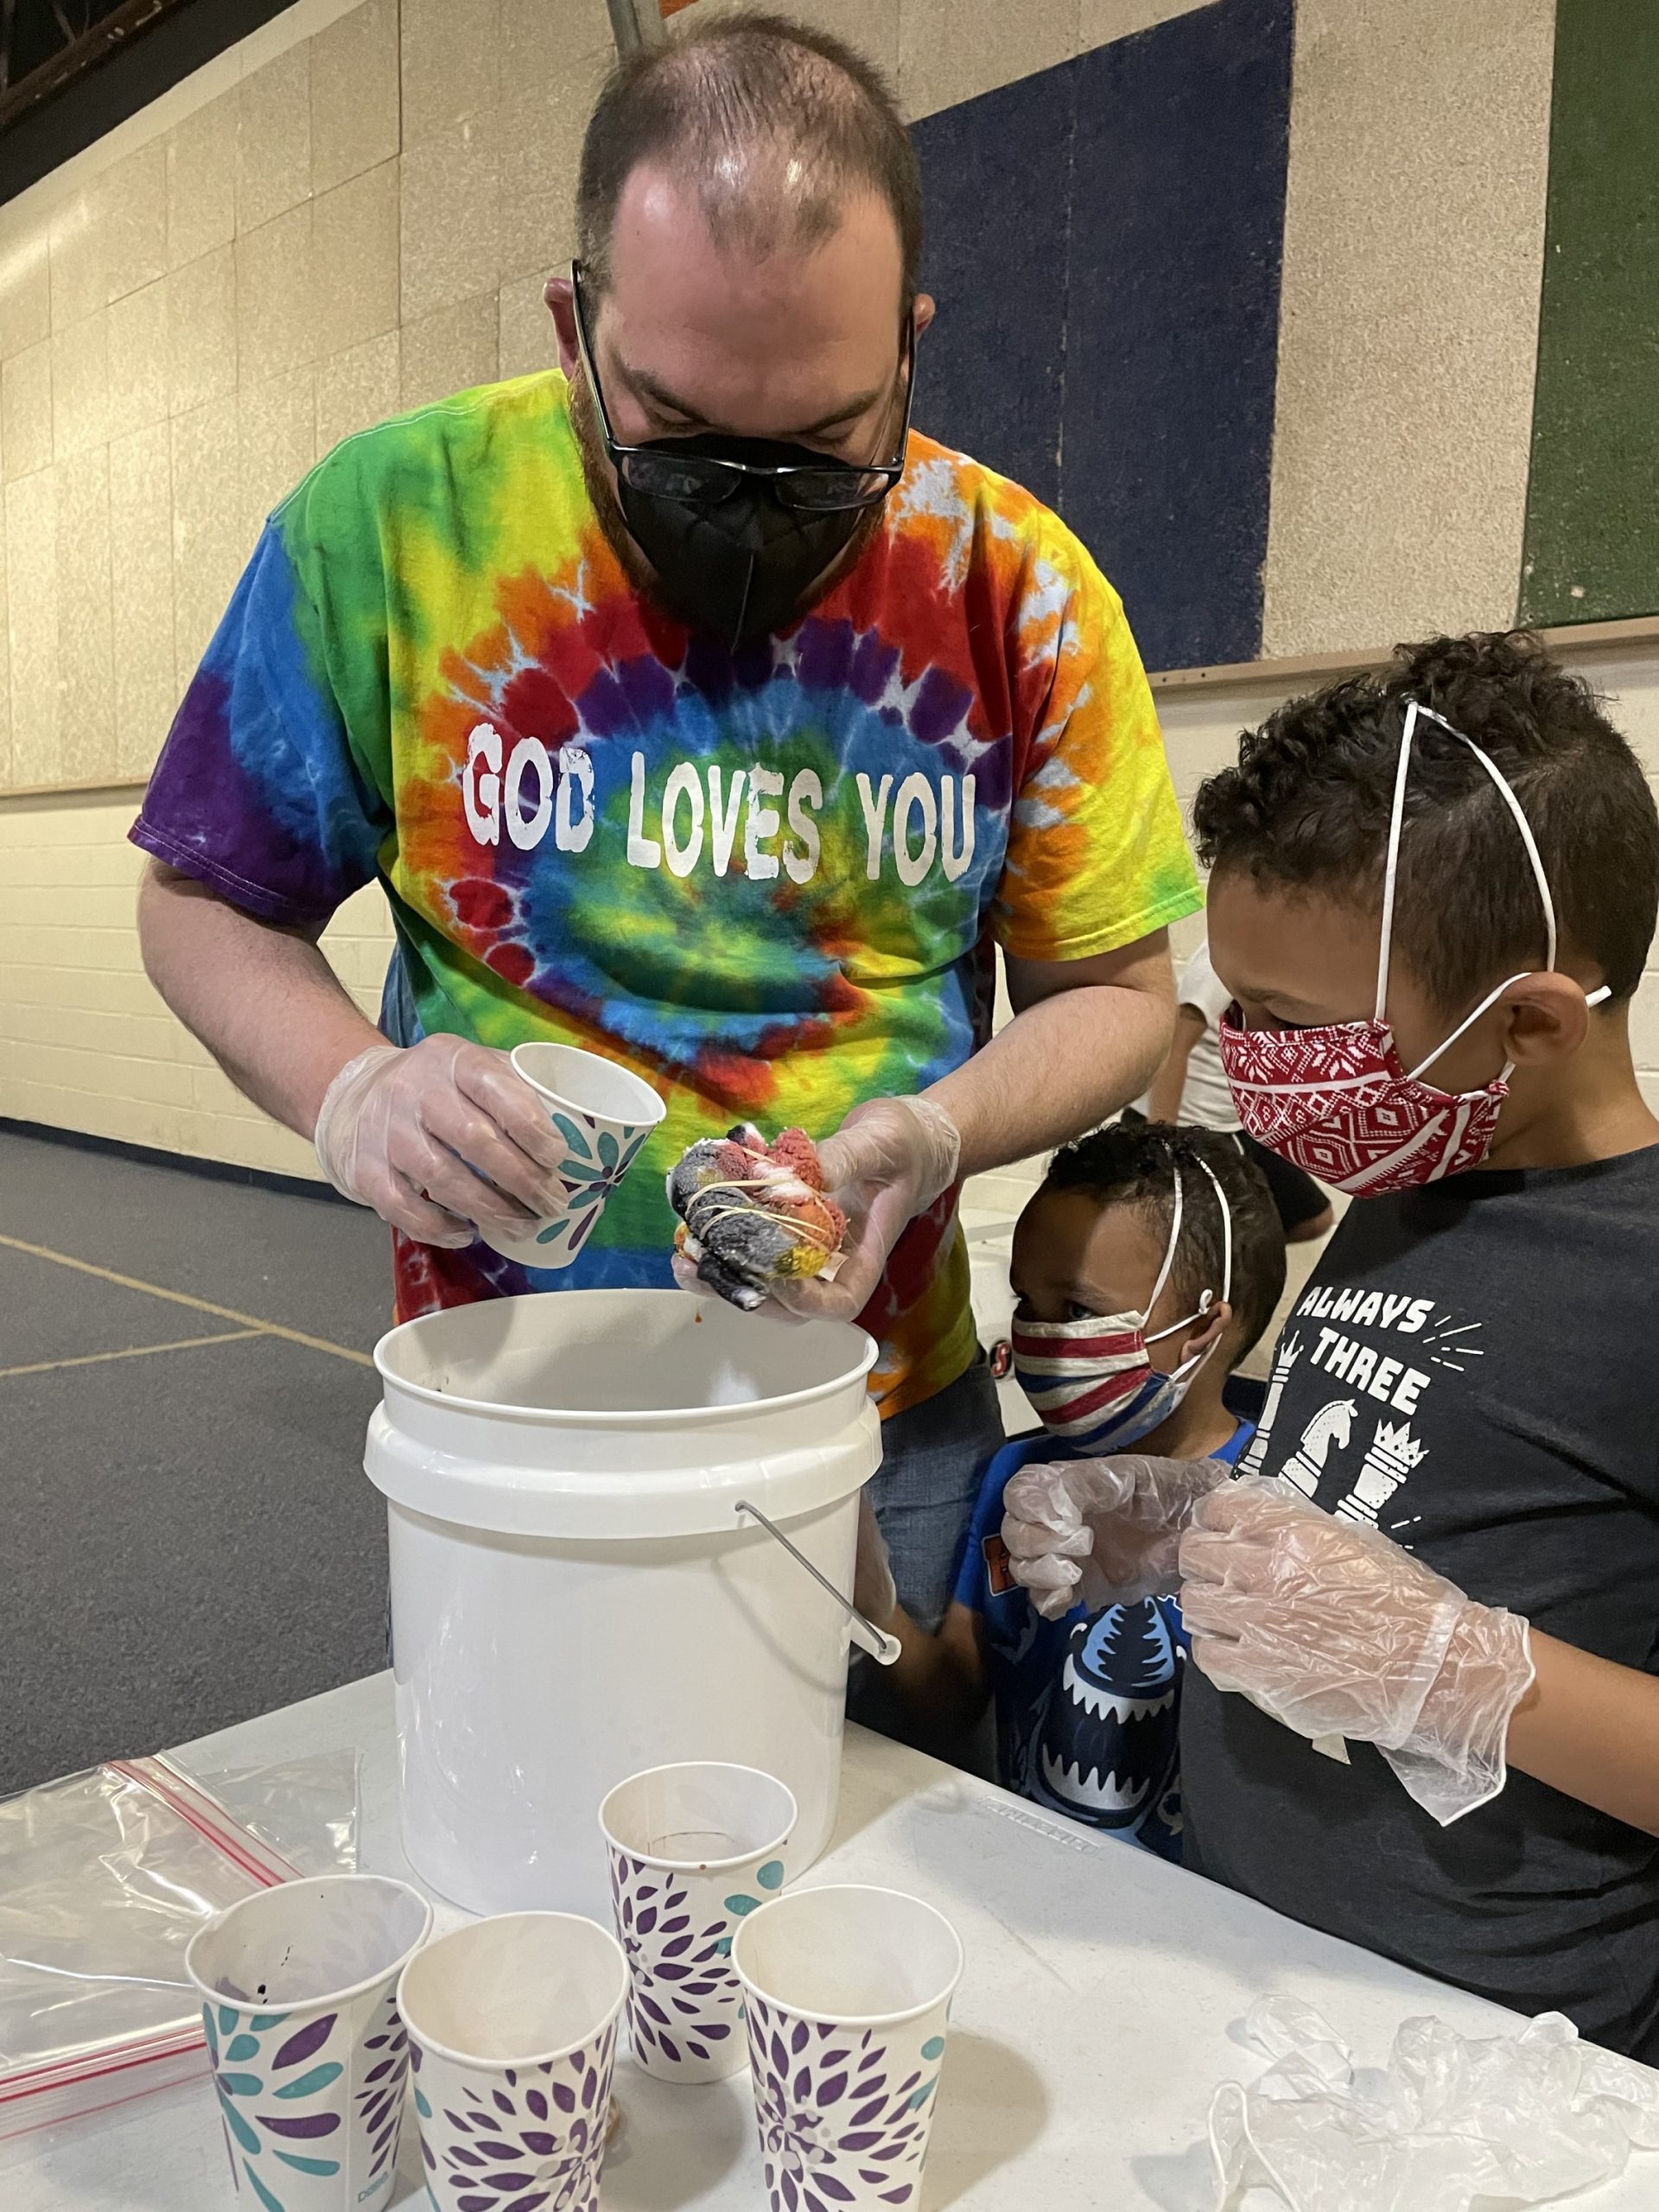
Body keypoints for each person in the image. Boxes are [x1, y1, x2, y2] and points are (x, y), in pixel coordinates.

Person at [128, 16, 1200, 1631]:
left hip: (872, 1402)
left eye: (831, 439)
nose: (753, 494)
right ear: (575, 325)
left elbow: (1120, 998)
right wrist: (352, 1091)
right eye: (683, 431)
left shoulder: (1017, 586)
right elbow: (204, 899)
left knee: (876, 1842)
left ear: (911, 345)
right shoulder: (392, 523)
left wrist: (926, 1142)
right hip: (508, 1394)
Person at [1002, 631, 1659, 2061]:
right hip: (1248, 1958)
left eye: (1292, 1029)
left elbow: (1431, 1624)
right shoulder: (1411, 1184)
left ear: (1532, 1024)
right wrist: (1184, 1521)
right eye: (1237, 1008)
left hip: (1491, 2048)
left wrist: (1462, 1671)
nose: (1245, 1056)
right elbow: (1398, 1494)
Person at [855, 1122, 1285, 1853]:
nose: (1040, 1338)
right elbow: (952, 1701)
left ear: (1203, 1330)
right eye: (1027, 1302)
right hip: (1038, 1873)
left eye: (1079, 1311)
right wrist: (869, 1592)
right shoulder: (1017, 1477)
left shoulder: (1283, 1503)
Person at [1139, 938, 1334, 1242]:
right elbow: (1176, 1043)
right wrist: (1162, 1140)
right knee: (1210, 1239)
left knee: (1314, 1218)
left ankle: (1231, 1254)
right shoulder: (1228, 954)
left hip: (1234, 1124)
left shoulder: (1287, 960)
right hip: (1193, 1123)